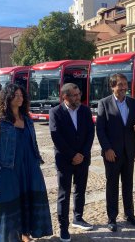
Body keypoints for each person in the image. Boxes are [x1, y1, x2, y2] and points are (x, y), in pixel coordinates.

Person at [0, 84, 52, 242]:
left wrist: (36, 161)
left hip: (30, 167)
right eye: (16, 95)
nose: (19, 98)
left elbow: (32, 142)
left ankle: (25, 233)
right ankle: (10, 238)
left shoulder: (27, 120)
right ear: (7, 98)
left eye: (21, 95)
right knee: (10, 204)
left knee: (29, 198)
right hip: (9, 169)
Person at [96, 74, 135, 232]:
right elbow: (100, 130)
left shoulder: (133, 103)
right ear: (112, 87)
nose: (123, 87)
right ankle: (112, 218)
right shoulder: (104, 103)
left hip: (129, 152)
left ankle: (130, 214)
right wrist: (107, 149)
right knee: (112, 185)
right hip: (112, 153)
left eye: (125, 84)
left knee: (128, 184)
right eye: (120, 85)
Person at [49, 83, 95, 242]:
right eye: (74, 95)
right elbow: (56, 137)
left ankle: (78, 218)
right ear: (65, 97)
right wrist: (72, 155)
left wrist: (82, 153)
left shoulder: (85, 110)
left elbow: (90, 132)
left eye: (78, 94)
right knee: (64, 194)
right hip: (65, 160)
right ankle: (63, 227)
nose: (78, 97)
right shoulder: (55, 112)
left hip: (83, 159)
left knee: (80, 190)